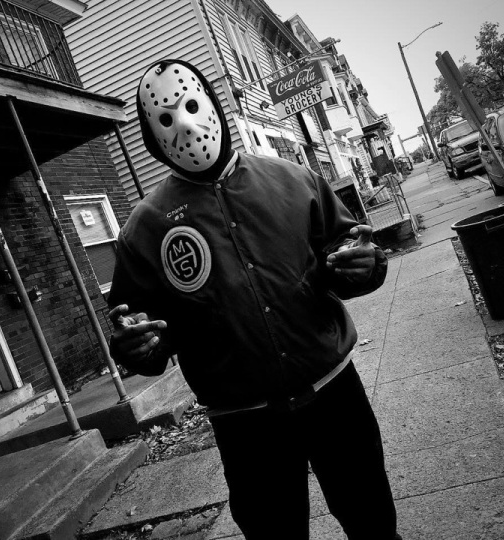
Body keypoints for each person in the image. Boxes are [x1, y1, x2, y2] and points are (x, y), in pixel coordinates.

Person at [108, 58, 401, 540]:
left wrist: (365, 265)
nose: (184, 125)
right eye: (164, 118)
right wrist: (137, 347)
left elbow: (350, 251)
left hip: (334, 397)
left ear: (212, 104)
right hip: (246, 426)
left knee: (373, 522)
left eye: (190, 106)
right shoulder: (144, 229)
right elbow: (142, 331)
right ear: (150, 134)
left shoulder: (295, 179)